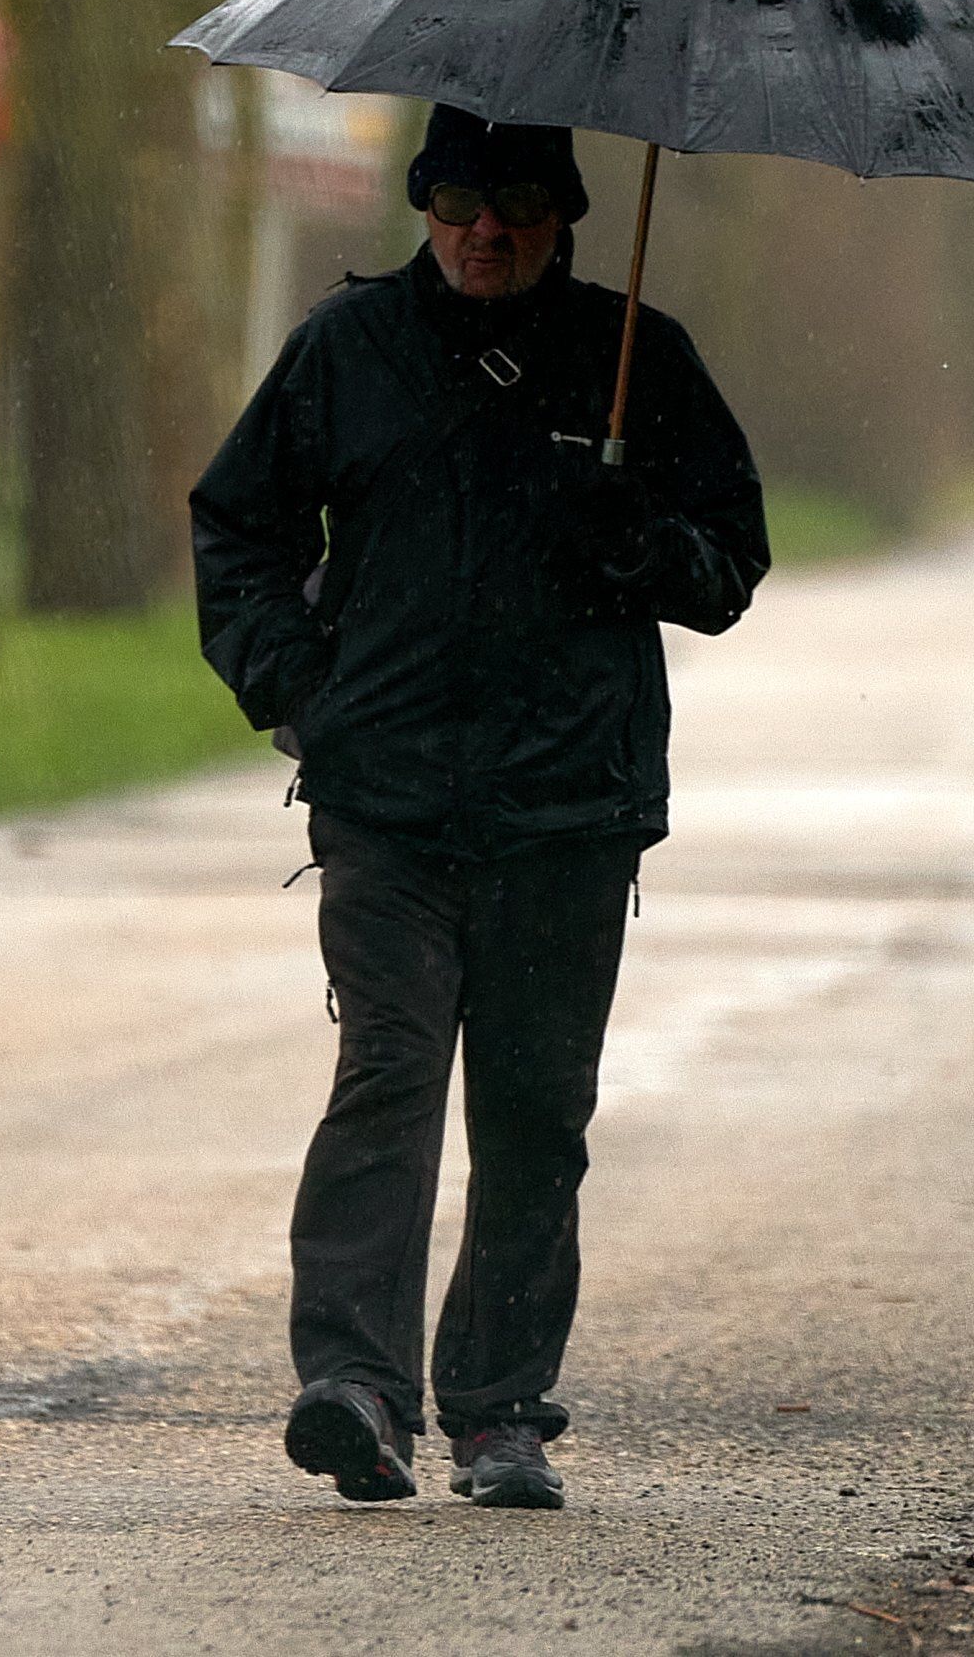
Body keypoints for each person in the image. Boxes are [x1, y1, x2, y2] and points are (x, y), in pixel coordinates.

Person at [190, 102, 768, 1510]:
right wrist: (294, 683)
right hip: (385, 800)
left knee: (531, 1112)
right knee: (388, 1078)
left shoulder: (638, 361)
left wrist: (638, 536)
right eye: (457, 205)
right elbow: (241, 525)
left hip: (570, 809)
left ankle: (501, 1410)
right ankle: (357, 1390)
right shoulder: (347, 351)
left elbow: (730, 564)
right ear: (422, 206)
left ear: (565, 212)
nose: (484, 233)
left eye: (513, 207)